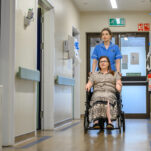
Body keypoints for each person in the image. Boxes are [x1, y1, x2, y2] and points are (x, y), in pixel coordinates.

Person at [85, 56, 122, 129]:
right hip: (97, 92)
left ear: (108, 63)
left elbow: (118, 82)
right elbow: (89, 83)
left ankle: (109, 122)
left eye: (105, 61)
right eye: (101, 61)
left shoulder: (115, 74)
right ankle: (96, 122)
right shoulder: (94, 74)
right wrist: (87, 86)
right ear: (99, 64)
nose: (103, 63)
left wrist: (118, 85)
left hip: (110, 92)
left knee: (107, 97)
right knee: (96, 97)